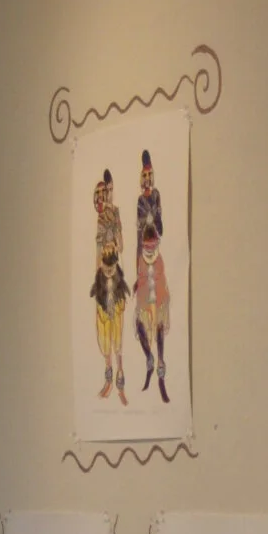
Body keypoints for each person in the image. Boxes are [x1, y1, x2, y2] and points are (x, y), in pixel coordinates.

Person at [134, 148, 170, 403]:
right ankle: (149, 357)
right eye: (144, 176)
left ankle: (161, 365)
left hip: (154, 256)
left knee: (158, 319)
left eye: (149, 175)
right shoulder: (139, 200)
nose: (147, 180)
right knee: (140, 320)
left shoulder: (155, 196)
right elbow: (139, 236)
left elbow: (160, 228)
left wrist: (153, 218)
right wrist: (137, 271)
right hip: (143, 258)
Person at [91, 171, 128, 401]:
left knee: (118, 334)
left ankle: (120, 383)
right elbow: (98, 256)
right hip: (103, 283)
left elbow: (121, 246)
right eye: (105, 192)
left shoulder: (114, 215)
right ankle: (108, 381)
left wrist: (115, 223)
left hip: (115, 279)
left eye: (108, 191)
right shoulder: (100, 220)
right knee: (104, 335)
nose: (106, 196)